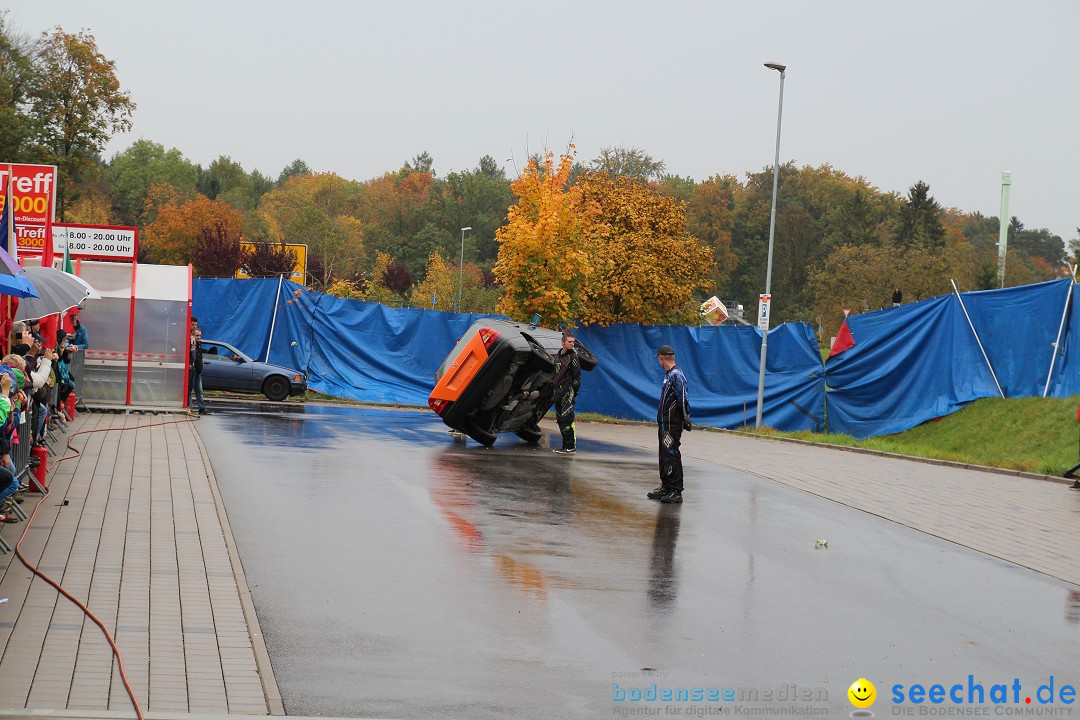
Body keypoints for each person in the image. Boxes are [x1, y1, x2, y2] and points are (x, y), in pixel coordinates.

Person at [647, 345, 691, 504]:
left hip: (673, 423)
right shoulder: (669, 375)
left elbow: (683, 398)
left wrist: (686, 418)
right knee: (664, 454)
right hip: (665, 422)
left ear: (661, 357)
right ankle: (666, 485)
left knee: (671, 453)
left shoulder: (676, 375)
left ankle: (676, 490)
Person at [551, 331, 581, 454]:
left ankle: (570, 446)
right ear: (563, 343)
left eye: (573, 342)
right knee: (560, 419)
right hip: (557, 391)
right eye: (569, 342)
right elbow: (555, 374)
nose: (572, 344)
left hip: (567, 391)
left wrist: (574, 392)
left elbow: (577, 376)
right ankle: (565, 446)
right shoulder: (557, 356)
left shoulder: (573, 356)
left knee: (567, 418)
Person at [189, 328, 210, 415]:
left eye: (200, 335)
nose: (199, 337)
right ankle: (189, 408)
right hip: (193, 371)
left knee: (199, 390)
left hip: (198, 371)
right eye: (197, 335)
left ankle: (202, 408)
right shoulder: (192, 344)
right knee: (189, 390)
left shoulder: (199, 344)